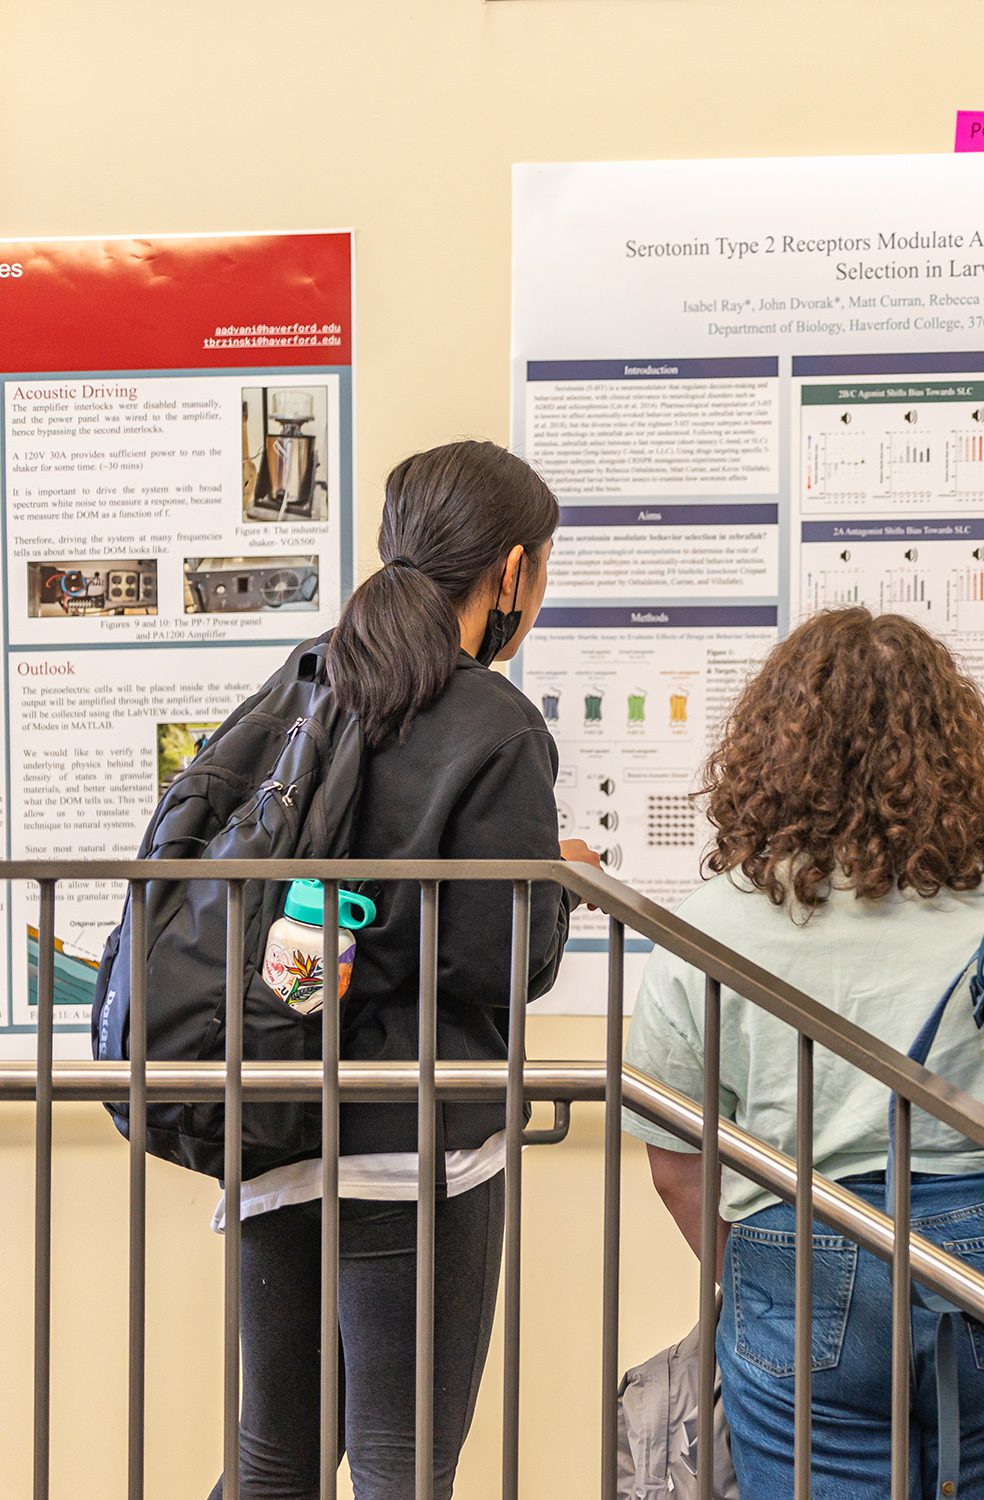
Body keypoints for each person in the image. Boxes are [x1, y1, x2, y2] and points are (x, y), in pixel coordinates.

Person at [623, 607, 984, 1497]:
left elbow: (676, 1165)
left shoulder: (708, 922)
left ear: (769, 745)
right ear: (955, 749)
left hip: (793, 1250)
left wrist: (760, 1278)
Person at [218, 440, 598, 1499]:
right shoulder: (496, 723)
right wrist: (555, 884)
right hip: (416, 1145)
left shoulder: (305, 681)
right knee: (402, 1467)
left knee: (273, 1457)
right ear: (512, 573)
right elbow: (495, 961)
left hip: (279, 1114)